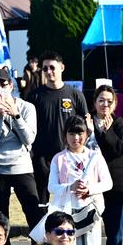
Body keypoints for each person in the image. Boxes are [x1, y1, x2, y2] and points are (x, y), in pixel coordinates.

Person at [0, 67, 41, 245]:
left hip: (22, 166)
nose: (0, 89)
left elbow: (29, 139)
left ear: (11, 85)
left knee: (33, 211)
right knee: (0, 215)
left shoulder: (27, 107)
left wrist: (15, 115)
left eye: (4, 84)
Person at [46, 115, 113, 245]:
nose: (76, 138)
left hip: (90, 211)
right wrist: (70, 187)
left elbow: (108, 183)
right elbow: (52, 187)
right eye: (71, 133)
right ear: (65, 135)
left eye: (80, 133)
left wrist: (89, 189)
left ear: (87, 134)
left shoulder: (95, 156)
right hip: (67, 214)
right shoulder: (59, 158)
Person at [27, 51, 89, 205]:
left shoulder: (75, 95)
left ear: (62, 67)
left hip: (68, 156)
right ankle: (43, 228)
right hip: (42, 156)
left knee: (69, 199)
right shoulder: (34, 96)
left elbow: (85, 125)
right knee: (42, 201)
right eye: (45, 68)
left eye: (52, 68)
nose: (48, 72)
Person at [89, 85, 123, 245]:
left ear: (114, 104)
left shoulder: (120, 124)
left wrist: (107, 132)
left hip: (117, 183)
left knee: (115, 230)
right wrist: (93, 131)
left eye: (109, 101)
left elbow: (119, 150)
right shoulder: (86, 121)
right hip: (91, 183)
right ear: (95, 102)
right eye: (101, 100)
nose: (105, 104)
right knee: (90, 227)